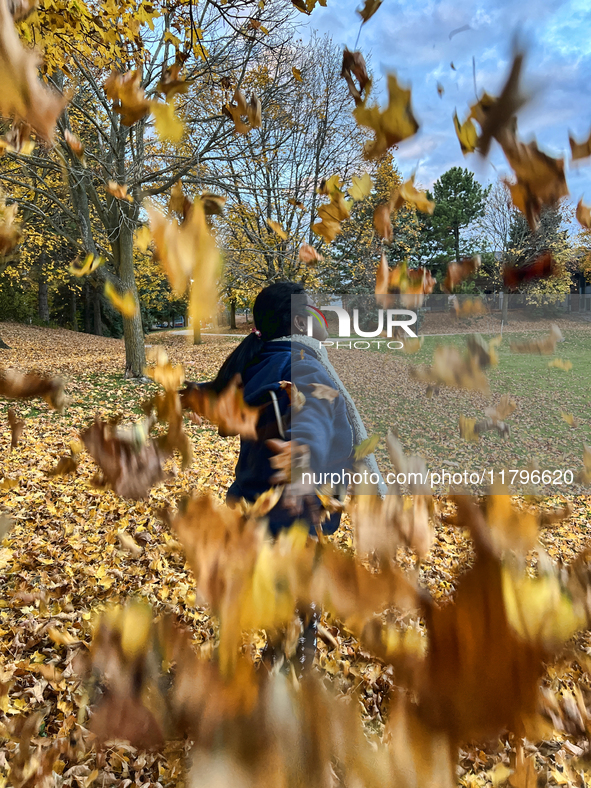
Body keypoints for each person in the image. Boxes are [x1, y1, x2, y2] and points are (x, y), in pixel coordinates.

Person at [181, 281, 385, 670]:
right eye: (309, 311)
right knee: (301, 607)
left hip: (253, 502)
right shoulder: (304, 365)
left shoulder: (256, 359)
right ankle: (292, 683)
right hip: (294, 512)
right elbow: (319, 421)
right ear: (298, 320)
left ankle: (277, 658)